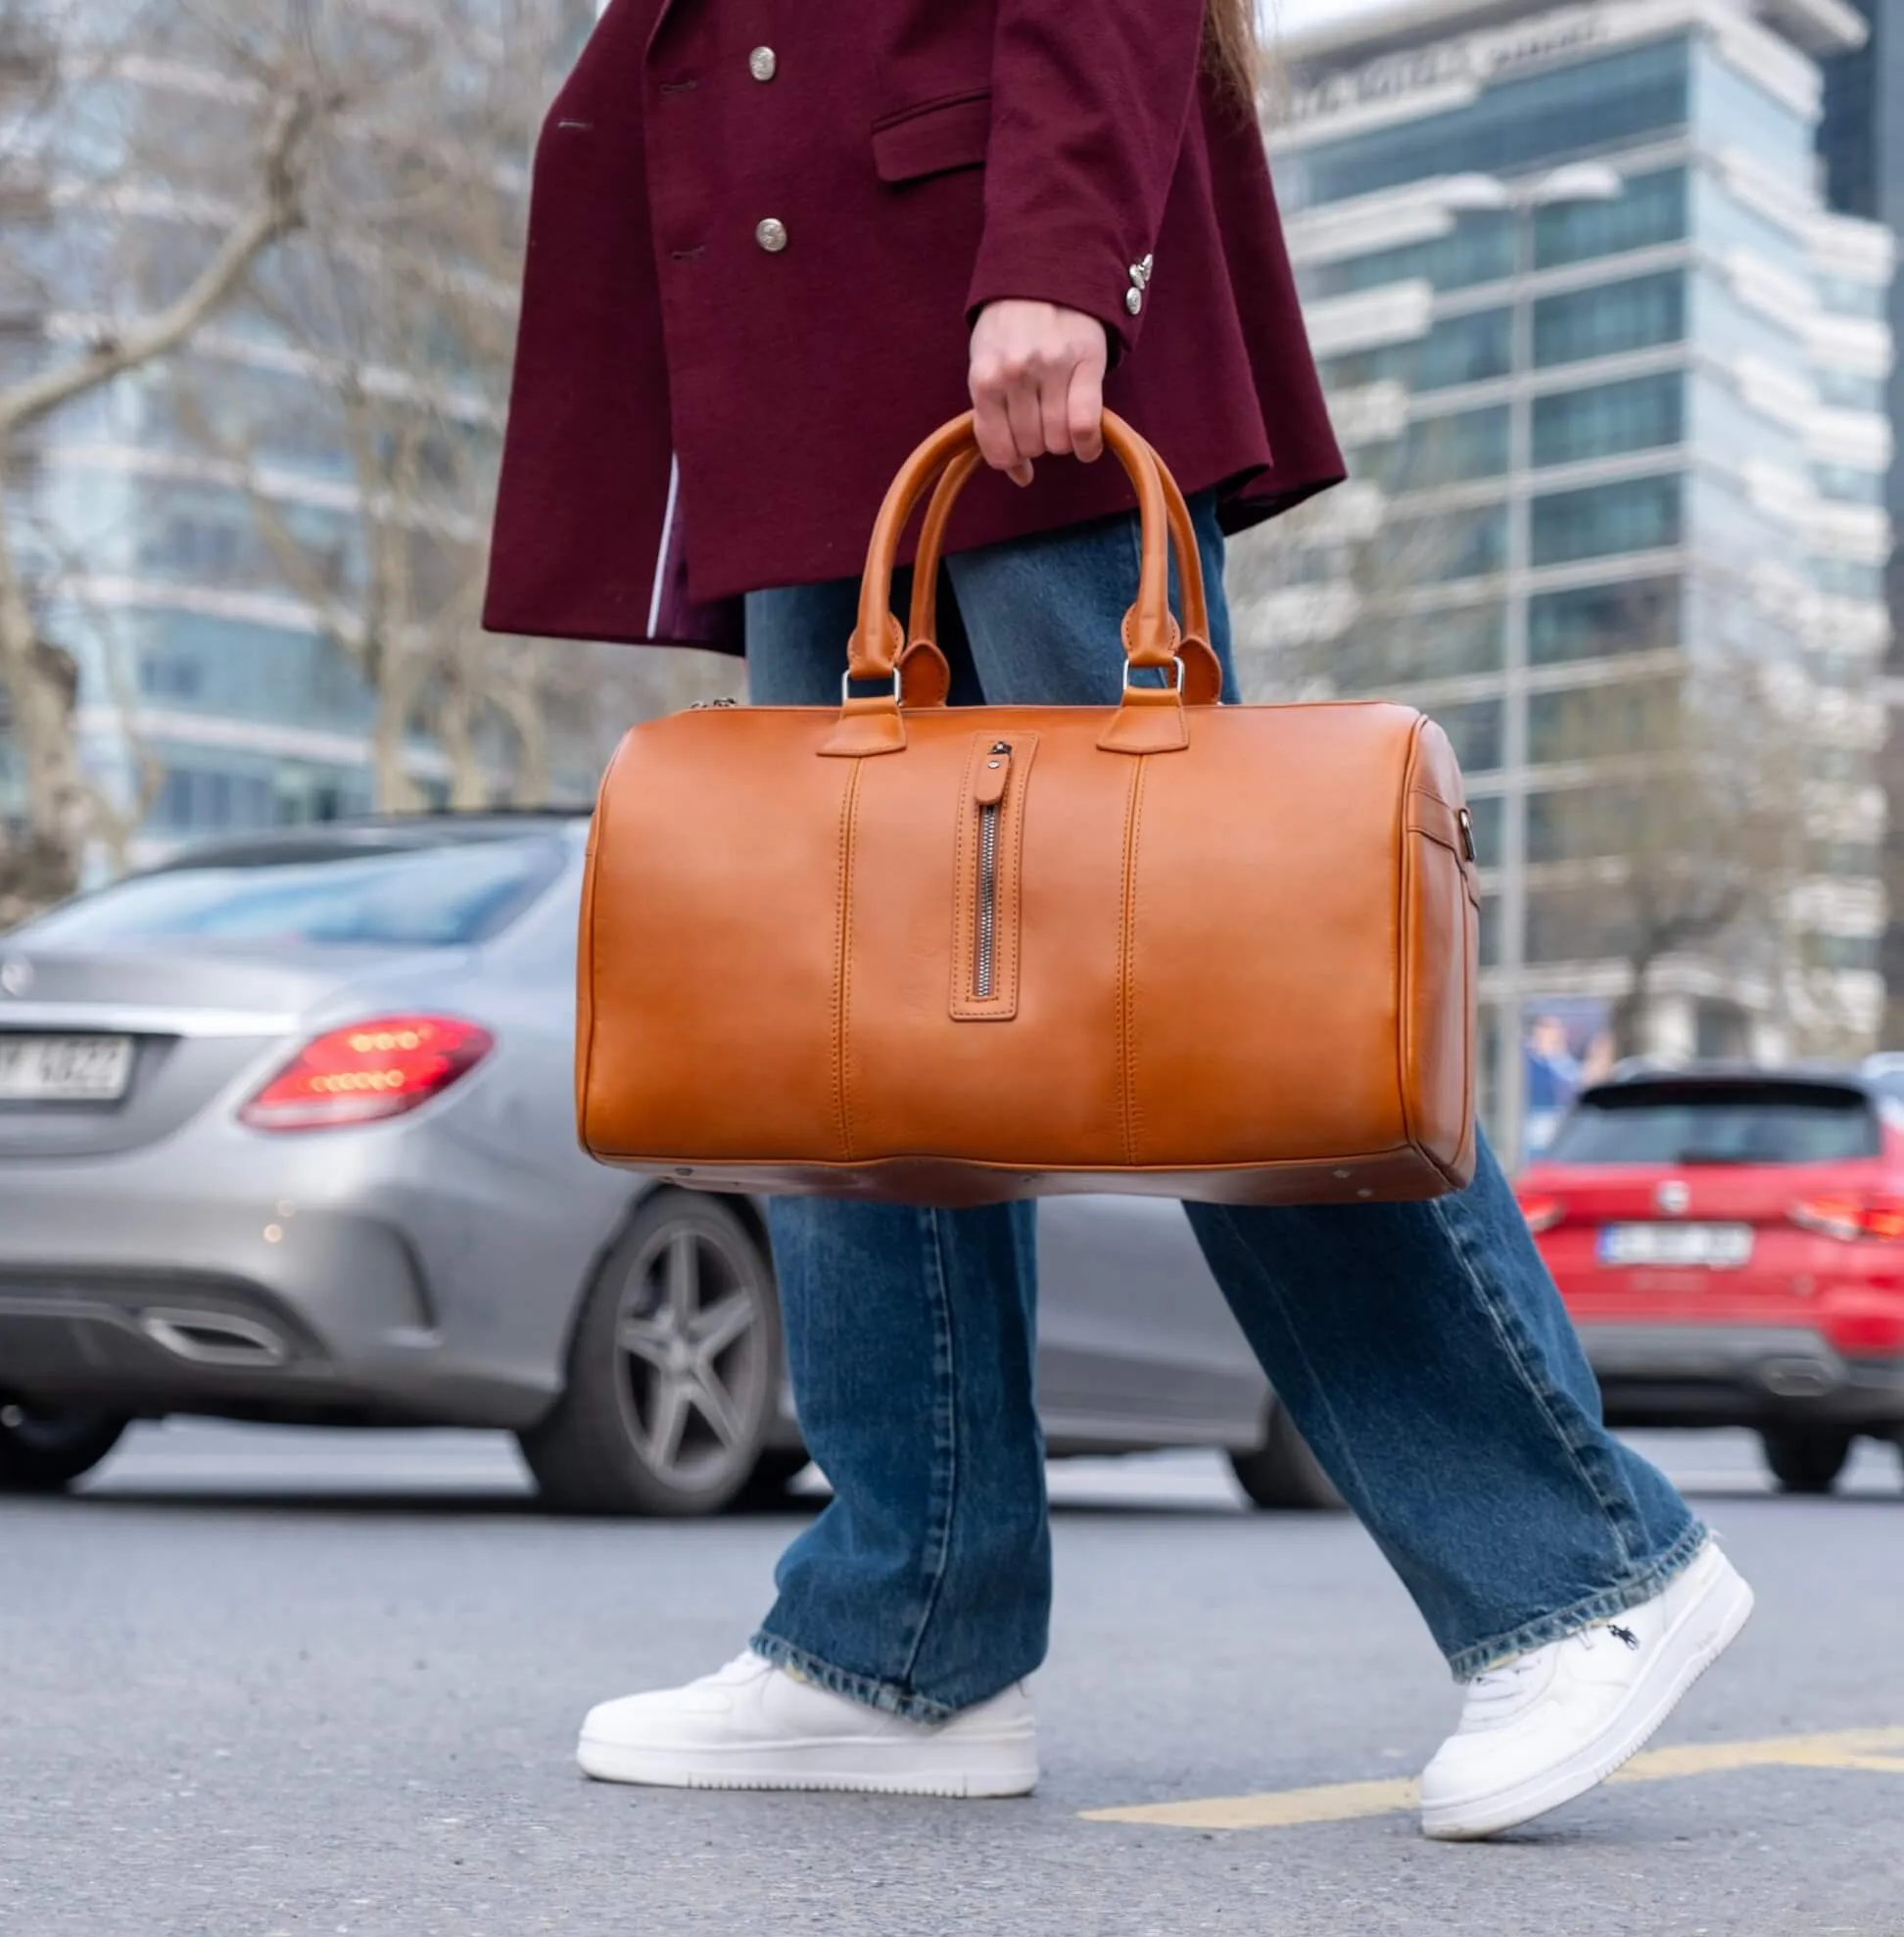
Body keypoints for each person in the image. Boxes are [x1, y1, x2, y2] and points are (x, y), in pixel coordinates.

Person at [484, 0, 1752, 1841]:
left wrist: (1063, 253)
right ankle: (902, 1637)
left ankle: (1580, 1564)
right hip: (797, 337)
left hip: (989, 313)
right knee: (835, 1022)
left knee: (1224, 996)